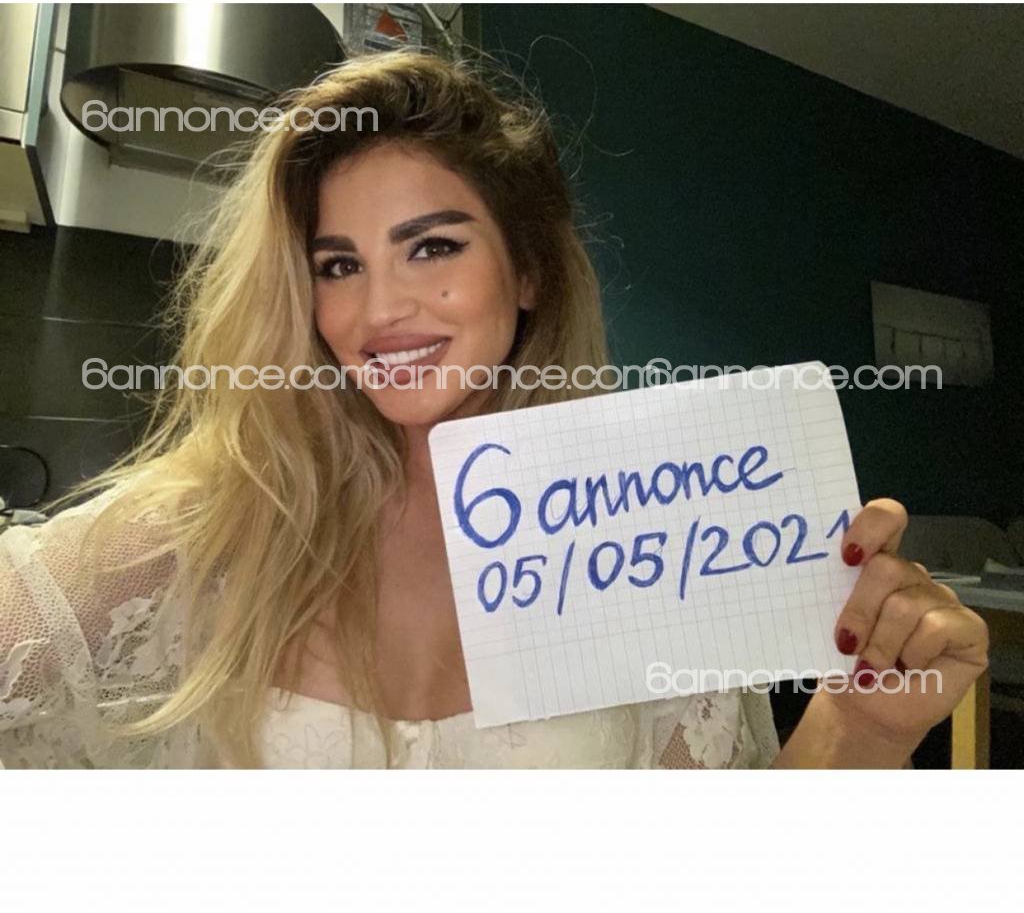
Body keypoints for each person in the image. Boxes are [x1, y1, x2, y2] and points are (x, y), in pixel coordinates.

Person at [0, 50, 988, 769]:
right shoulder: (207, 525)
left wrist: (862, 727)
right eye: (338, 265)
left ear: (526, 273)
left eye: (432, 247)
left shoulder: (652, 536)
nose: (379, 310)